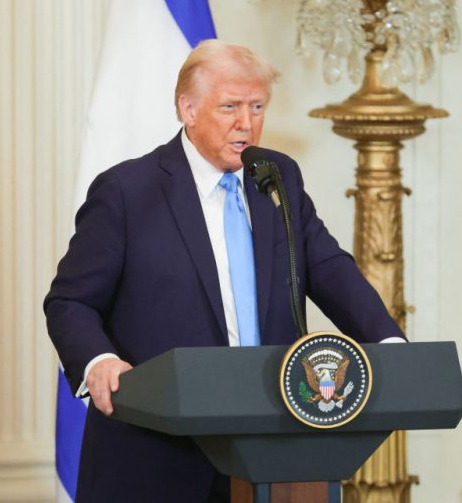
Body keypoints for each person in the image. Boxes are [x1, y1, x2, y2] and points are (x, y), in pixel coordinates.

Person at [44, 40, 405, 503]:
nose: (246, 123)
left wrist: (388, 343)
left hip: (270, 443)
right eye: (230, 106)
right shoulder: (127, 191)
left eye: (257, 107)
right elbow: (70, 302)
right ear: (188, 109)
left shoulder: (277, 178)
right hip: (157, 451)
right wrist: (99, 361)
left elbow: (328, 266)